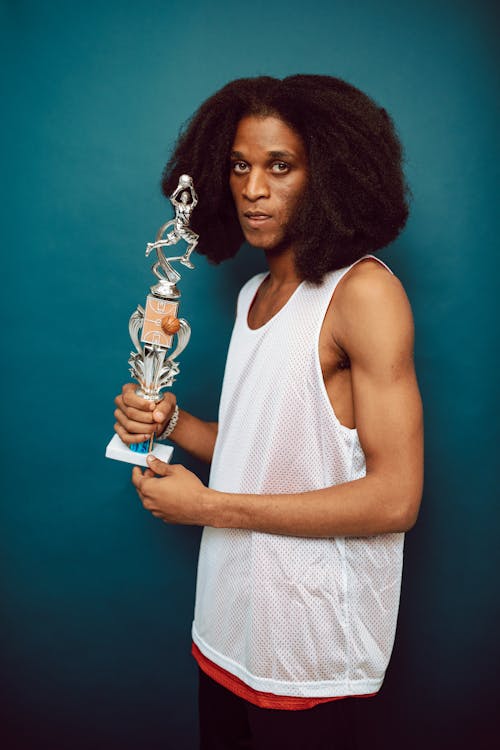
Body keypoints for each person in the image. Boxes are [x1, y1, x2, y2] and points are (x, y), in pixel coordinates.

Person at [113, 75, 423, 749]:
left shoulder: (363, 294)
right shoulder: (254, 289)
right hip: (227, 630)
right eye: (239, 166)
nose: (253, 189)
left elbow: (396, 499)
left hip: (306, 657)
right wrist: (170, 424)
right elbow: (264, 449)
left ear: (328, 175)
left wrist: (209, 509)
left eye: (280, 166)